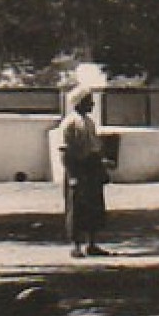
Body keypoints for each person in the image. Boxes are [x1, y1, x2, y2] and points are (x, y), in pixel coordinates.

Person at [59, 85, 113, 257]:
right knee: (76, 206)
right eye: (89, 101)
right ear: (80, 102)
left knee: (94, 205)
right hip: (77, 167)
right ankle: (76, 246)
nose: (92, 104)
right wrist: (72, 174)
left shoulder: (89, 122)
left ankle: (92, 244)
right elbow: (65, 151)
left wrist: (101, 167)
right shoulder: (70, 123)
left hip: (91, 167)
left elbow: (94, 147)